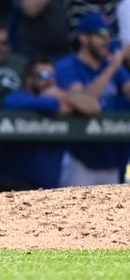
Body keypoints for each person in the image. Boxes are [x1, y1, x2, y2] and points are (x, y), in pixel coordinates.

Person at [0, 57, 100, 191]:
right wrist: (61, 103)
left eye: (53, 76)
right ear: (29, 79)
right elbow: (15, 103)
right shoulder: (17, 98)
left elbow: (93, 107)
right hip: (11, 185)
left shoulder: (61, 96)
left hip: (47, 189)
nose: (50, 80)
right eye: (44, 75)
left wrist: (61, 96)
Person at [55, 14, 130, 187]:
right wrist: (112, 68)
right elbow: (86, 100)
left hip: (112, 160)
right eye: (100, 35)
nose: (107, 41)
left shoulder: (113, 67)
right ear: (83, 37)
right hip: (81, 160)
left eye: (109, 35)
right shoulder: (67, 66)